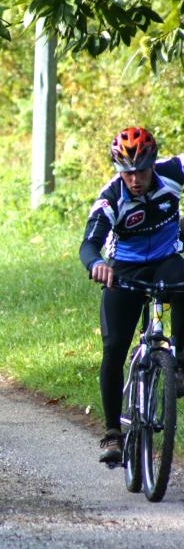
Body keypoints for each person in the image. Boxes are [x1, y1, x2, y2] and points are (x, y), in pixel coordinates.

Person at [80, 126, 184, 465]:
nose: (134, 179)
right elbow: (89, 243)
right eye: (126, 172)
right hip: (125, 270)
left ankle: (179, 364)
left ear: (153, 163)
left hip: (167, 260)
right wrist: (96, 263)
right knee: (113, 350)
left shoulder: (173, 172)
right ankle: (112, 432)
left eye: (140, 170)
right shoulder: (111, 197)